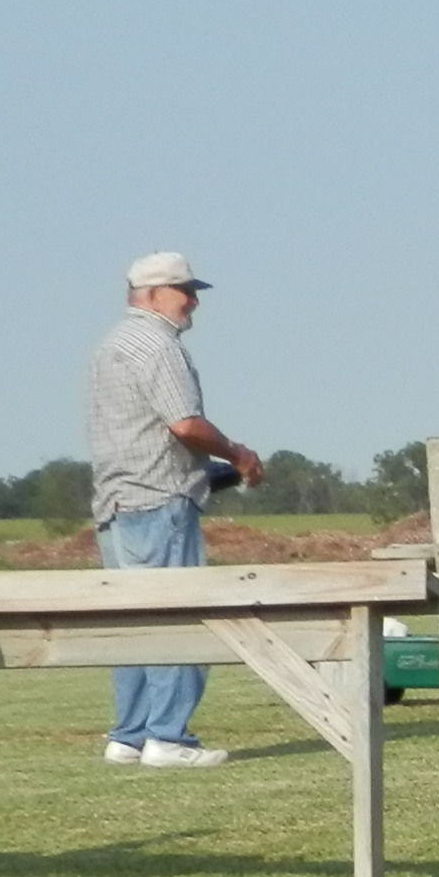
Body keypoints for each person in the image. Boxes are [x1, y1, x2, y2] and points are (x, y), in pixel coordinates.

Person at [85, 251, 260, 767]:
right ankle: (169, 738)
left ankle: (130, 735)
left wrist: (219, 472)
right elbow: (185, 425)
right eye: (186, 290)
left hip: (115, 502)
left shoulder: (109, 346)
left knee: (133, 622)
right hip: (158, 503)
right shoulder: (159, 346)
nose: (194, 302)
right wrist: (239, 455)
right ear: (156, 294)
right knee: (179, 616)